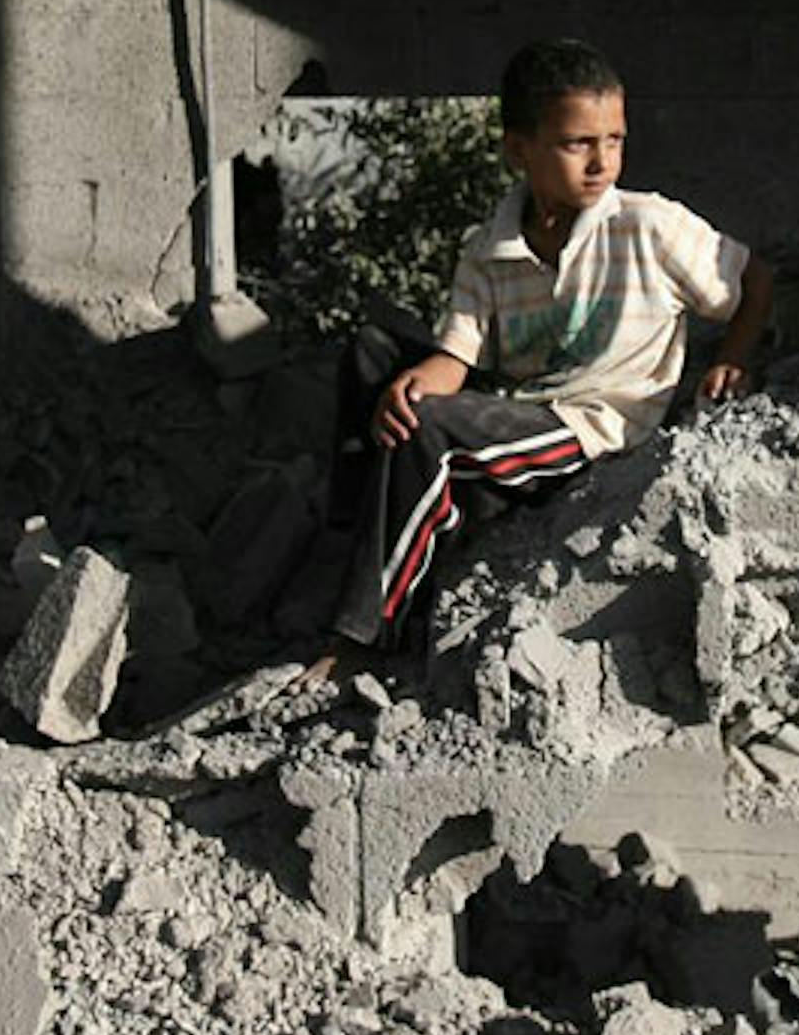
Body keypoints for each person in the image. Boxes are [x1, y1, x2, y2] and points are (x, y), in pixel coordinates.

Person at [321, 36, 773, 661]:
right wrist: (416, 381)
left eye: (613, 140)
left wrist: (735, 355)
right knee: (374, 351)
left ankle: (370, 633)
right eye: (577, 143)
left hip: (592, 428)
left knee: (428, 429)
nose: (601, 163)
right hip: (516, 410)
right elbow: (458, 355)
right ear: (519, 150)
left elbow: (755, 278)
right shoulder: (489, 247)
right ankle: (354, 532)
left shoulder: (648, 225)